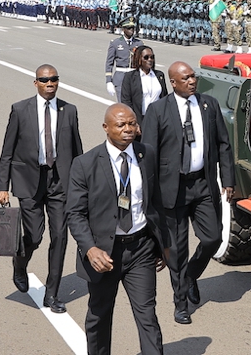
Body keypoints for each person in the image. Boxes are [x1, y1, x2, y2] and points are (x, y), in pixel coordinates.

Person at [142, 61, 235, 325]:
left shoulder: (208, 105)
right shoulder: (158, 110)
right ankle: (180, 303)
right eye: (186, 78)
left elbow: (224, 145)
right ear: (173, 82)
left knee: (212, 239)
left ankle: (192, 274)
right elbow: (149, 155)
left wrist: (228, 179)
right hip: (172, 190)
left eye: (194, 77)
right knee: (177, 250)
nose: (192, 81)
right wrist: (148, 194)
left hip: (202, 185)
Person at [67, 103, 165, 355]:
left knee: (147, 315)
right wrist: (90, 249)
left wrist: (162, 245)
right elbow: (75, 214)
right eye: (121, 125)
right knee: (99, 316)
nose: (128, 129)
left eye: (132, 123)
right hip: (104, 254)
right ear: (106, 128)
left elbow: (156, 203)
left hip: (140, 249)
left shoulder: (147, 154)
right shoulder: (85, 164)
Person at [0, 64, 83, 313]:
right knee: (34, 236)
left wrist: (83, 185)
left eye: (54, 79)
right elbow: (7, 151)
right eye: (45, 80)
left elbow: (77, 150)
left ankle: (52, 294)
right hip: (28, 181)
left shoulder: (69, 110)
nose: (50, 84)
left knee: (60, 236)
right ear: (36, 83)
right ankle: (20, 263)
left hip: (59, 182)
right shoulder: (20, 110)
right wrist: (3, 186)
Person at [120, 45, 168, 132]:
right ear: (139, 59)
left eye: (152, 57)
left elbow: (165, 98)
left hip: (158, 120)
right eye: (146, 57)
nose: (150, 60)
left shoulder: (159, 75)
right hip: (140, 120)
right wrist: (134, 123)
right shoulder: (130, 77)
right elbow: (126, 101)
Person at [105, 18, 142, 100]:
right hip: (121, 77)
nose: (131, 30)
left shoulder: (139, 43)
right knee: (123, 105)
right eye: (128, 28)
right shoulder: (115, 43)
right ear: (123, 29)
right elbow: (109, 63)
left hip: (135, 78)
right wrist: (108, 81)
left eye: (132, 28)